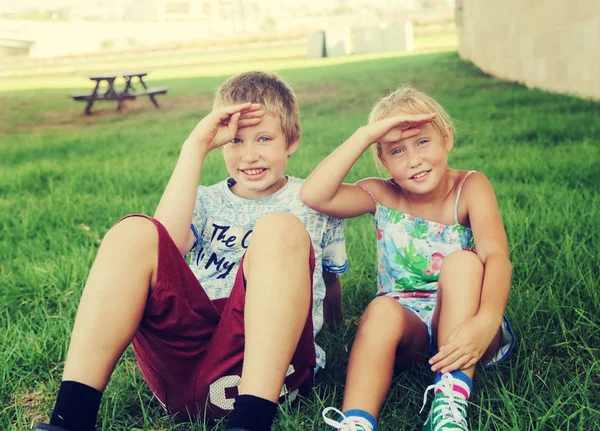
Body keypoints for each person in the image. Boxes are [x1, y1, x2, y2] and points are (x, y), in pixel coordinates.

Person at [33, 71, 348, 431]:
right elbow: (163, 245)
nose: (250, 155)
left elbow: (328, 278)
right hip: (184, 365)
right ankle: (69, 419)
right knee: (134, 230)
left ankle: (250, 424)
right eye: (236, 142)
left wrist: (336, 326)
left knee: (279, 227)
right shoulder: (204, 199)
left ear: (291, 140)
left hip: (265, 371)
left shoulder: (313, 198)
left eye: (264, 138)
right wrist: (195, 146)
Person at [300, 85, 515, 431]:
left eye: (422, 142)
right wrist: (365, 135)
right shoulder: (383, 193)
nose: (413, 159)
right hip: (409, 331)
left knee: (463, 262)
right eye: (396, 150)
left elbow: (497, 257)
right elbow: (314, 194)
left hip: (469, 326)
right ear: (383, 159)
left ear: (445, 137)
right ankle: (356, 421)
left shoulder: (471, 187)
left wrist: (487, 319)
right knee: (381, 309)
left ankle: (449, 403)